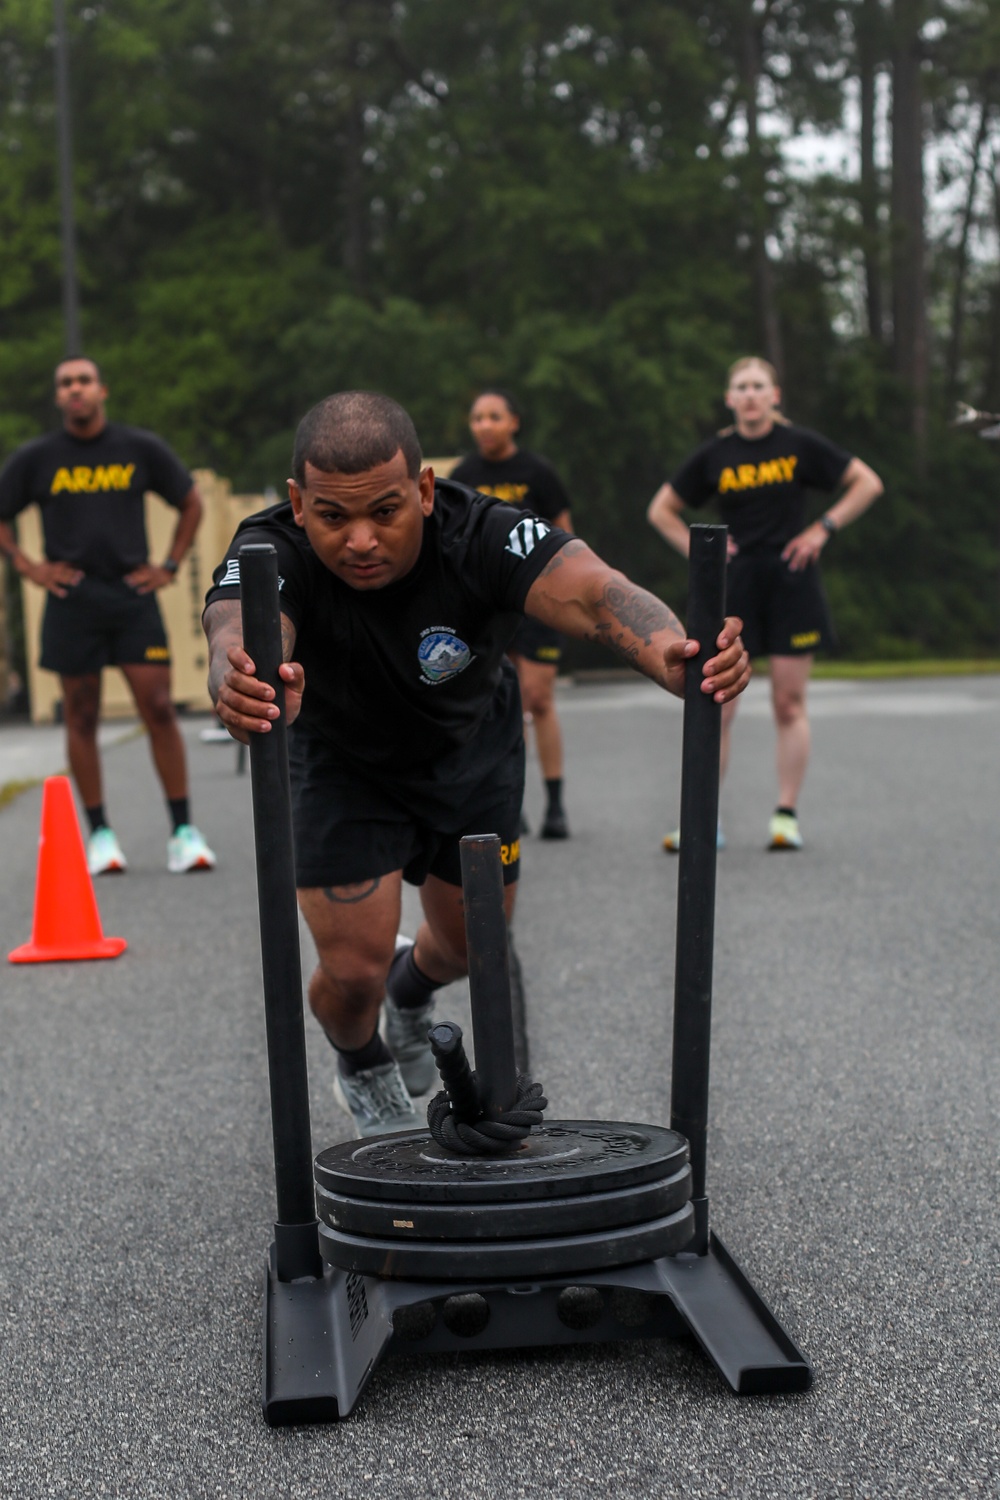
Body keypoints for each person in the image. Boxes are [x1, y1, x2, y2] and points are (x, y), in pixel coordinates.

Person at [203, 391, 750, 1139]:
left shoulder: (486, 532)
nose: (360, 539)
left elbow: (594, 594)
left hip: (472, 755)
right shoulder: (270, 548)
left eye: (386, 512)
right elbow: (237, 628)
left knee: (466, 949)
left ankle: (412, 988)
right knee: (352, 969)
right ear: (299, 504)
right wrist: (238, 678)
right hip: (342, 762)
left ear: (425, 490)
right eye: (333, 516)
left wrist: (671, 653)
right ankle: (362, 1064)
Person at [647, 355, 883, 851]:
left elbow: (867, 482)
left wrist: (823, 529)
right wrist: (699, 548)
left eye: (759, 386)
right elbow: (661, 510)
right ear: (730, 399)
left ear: (775, 396)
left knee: (787, 702)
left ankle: (786, 816)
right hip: (734, 591)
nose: (750, 394)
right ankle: (702, 822)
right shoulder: (715, 455)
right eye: (741, 387)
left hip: (792, 582)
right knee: (719, 707)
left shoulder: (799, 445)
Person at [0, 356, 216, 875]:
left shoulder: (138, 448)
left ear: (103, 391)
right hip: (71, 599)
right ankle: (100, 835)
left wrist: (167, 566)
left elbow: (191, 503)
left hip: (131, 596)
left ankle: (183, 831)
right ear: (58, 397)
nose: (75, 390)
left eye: (84, 381)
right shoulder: (37, 457)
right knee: (81, 715)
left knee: (159, 706)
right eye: (65, 384)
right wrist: (30, 567)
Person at [450, 390, 573, 838]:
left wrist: (564, 592)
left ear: (513, 422)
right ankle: (505, 799)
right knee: (493, 702)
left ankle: (555, 804)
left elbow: (565, 534)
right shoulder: (464, 475)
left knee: (537, 699)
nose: (484, 425)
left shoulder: (537, 472)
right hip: (485, 605)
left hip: (536, 598)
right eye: (477, 417)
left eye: (493, 417)